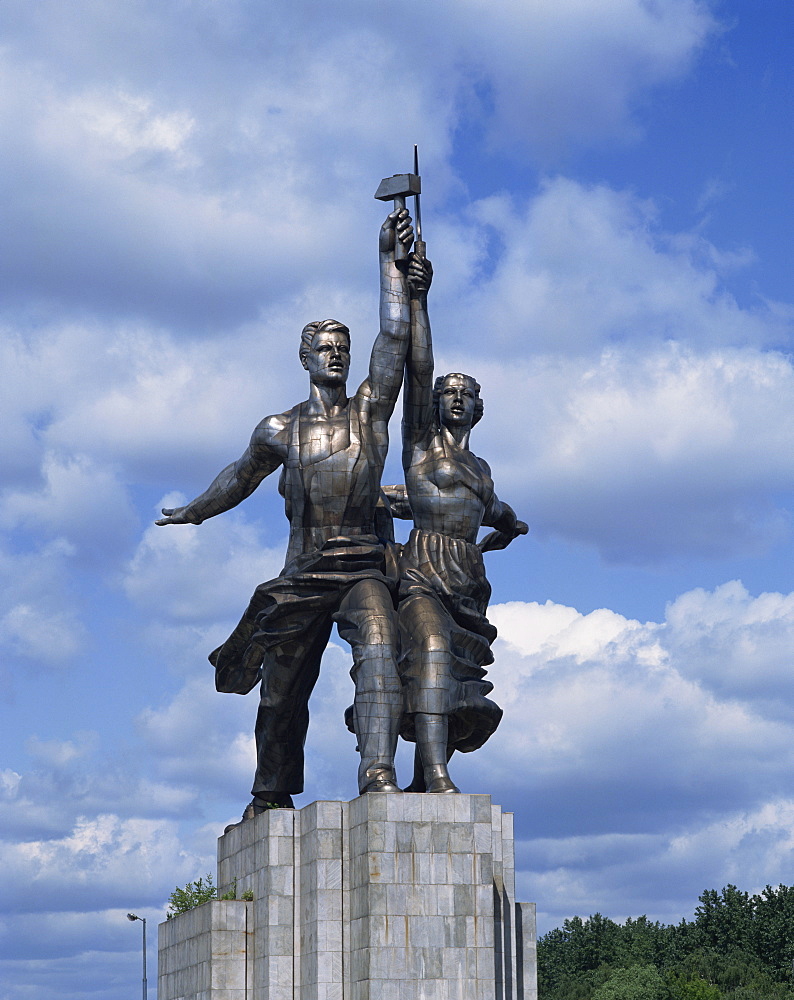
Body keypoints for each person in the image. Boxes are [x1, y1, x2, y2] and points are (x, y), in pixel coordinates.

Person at [156, 209, 414, 819]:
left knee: (379, 648)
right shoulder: (279, 428)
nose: (335, 357)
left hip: (360, 564)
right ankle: (270, 790)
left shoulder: (368, 415)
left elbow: (395, 342)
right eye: (324, 348)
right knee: (281, 695)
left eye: (342, 349)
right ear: (305, 357)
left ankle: (378, 775)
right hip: (302, 571)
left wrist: (389, 266)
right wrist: (195, 511)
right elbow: (239, 477)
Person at [385, 252, 527, 794]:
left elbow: (498, 512)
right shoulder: (420, 446)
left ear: (479, 410)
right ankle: (436, 775)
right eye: (450, 392)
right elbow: (418, 370)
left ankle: (427, 774)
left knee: (457, 679)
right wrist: (419, 299)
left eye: (467, 394)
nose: (458, 398)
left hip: (468, 576)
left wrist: (508, 531)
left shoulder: (481, 468)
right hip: (423, 565)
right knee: (431, 654)